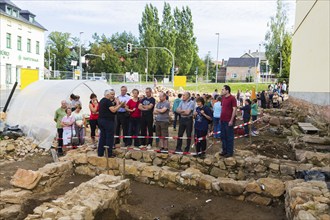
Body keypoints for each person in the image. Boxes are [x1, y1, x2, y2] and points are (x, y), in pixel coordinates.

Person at [98, 89, 124, 157]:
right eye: (111, 94)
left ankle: (100, 153)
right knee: (109, 138)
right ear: (107, 94)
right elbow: (113, 110)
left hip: (101, 120)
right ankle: (109, 153)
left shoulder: (101, 100)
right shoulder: (107, 101)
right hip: (107, 121)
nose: (112, 96)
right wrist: (120, 104)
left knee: (102, 137)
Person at [220, 85, 237, 158]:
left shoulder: (232, 98)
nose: (222, 91)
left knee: (229, 137)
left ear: (227, 90)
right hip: (222, 120)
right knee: (223, 136)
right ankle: (224, 150)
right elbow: (222, 108)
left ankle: (230, 152)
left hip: (228, 121)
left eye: (223, 89)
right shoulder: (223, 98)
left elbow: (234, 109)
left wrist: (231, 120)